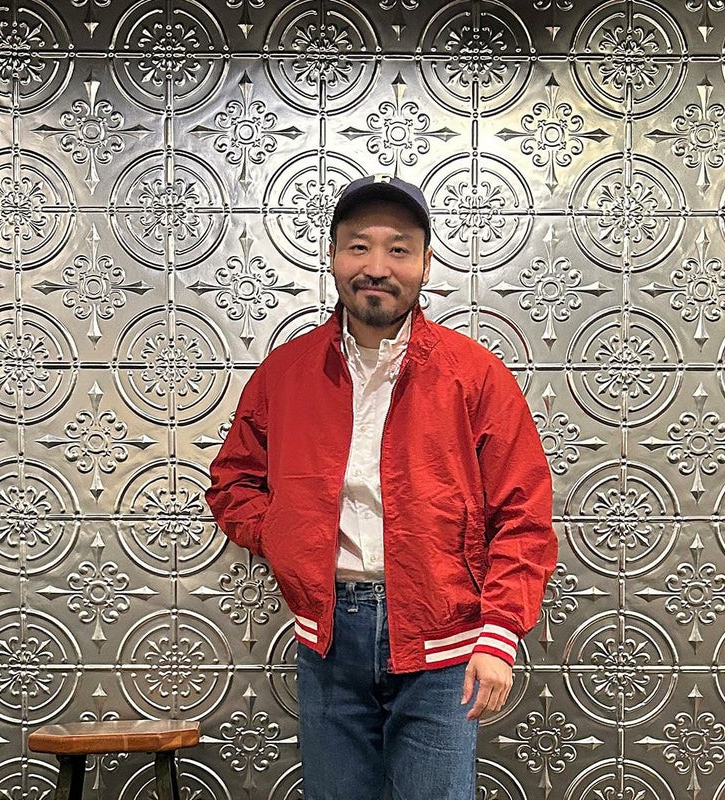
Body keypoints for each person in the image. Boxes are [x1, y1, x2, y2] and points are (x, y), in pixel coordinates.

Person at [205, 175, 557, 800]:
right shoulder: (287, 371)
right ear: (333, 258)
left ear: (425, 263)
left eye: (398, 249)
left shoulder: (473, 374)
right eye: (358, 247)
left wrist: (500, 634)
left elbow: (522, 513)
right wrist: (285, 535)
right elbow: (233, 482)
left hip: (444, 641)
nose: (376, 267)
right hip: (327, 638)